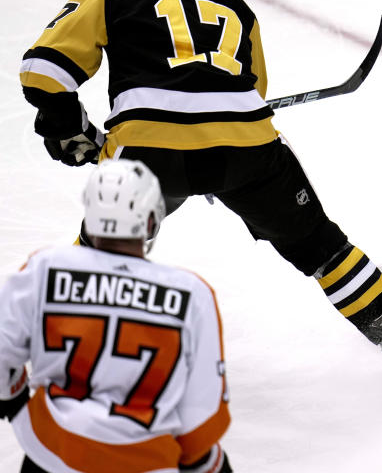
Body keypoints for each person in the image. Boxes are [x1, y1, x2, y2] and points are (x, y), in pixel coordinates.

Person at [18, 0, 382, 380]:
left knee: (106, 244)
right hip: (247, 150)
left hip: (150, 152)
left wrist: (72, 131)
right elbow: (254, 91)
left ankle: (66, 348)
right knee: (321, 245)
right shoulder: (234, 2)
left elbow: (42, 71)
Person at [0, 159, 232, 472]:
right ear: (151, 222)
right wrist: (205, 462)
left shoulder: (46, 268)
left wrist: (12, 399)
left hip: (53, 453)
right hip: (147, 461)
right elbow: (200, 414)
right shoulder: (191, 294)